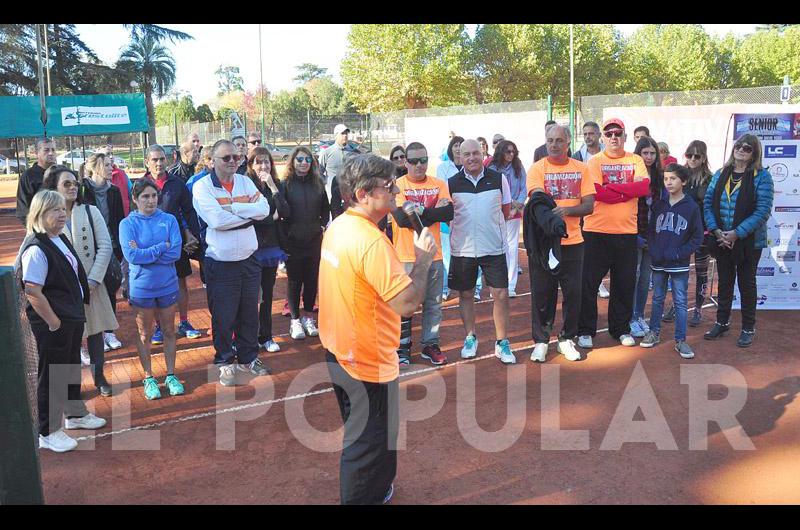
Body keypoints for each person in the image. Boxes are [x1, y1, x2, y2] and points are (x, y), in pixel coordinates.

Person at [319, 153, 437, 505]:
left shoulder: (341, 225)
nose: (396, 191)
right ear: (363, 193)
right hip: (366, 357)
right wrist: (423, 259)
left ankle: (380, 487)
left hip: (341, 348)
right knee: (366, 442)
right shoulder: (370, 242)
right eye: (389, 186)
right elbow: (406, 304)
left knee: (377, 433)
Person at [16, 190, 106, 453]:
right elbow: (33, 291)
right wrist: (54, 322)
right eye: (54, 210)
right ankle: (48, 431)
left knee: (68, 368)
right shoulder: (36, 248)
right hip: (54, 323)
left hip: (70, 318)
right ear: (39, 215)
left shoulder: (59, 238)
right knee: (52, 375)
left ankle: (75, 414)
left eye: (62, 209)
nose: (61, 214)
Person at [193, 139, 272, 385]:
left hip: (249, 260)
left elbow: (265, 209)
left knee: (250, 313)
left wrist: (234, 209)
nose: (232, 162)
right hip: (221, 263)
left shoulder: (246, 181)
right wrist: (248, 215)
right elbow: (216, 221)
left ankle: (248, 357)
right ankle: (225, 361)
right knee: (223, 316)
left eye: (236, 158)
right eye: (226, 158)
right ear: (211, 161)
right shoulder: (202, 187)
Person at [41, 165, 117, 397]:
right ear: (53, 188)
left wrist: (93, 280)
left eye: (75, 183)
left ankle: (99, 376)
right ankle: (72, 388)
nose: (73, 187)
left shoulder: (91, 211)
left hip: (93, 285)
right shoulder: (44, 216)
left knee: (95, 332)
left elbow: (105, 246)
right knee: (70, 337)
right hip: (62, 290)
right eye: (67, 184)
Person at [577, 118, 650, 349]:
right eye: (609, 134)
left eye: (618, 133)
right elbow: (597, 193)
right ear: (603, 137)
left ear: (625, 136)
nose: (613, 137)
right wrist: (625, 192)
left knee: (624, 283)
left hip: (626, 233)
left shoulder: (635, 159)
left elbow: (643, 188)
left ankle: (620, 328)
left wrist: (613, 188)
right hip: (595, 232)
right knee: (588, 283)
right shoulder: (594, 161)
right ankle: (585, 330)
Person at [525, 125, 594, 362]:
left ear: (568, 143)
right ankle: (542, 341)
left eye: (559, 141)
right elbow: (537, 201)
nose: (554, 145)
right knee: (542, 294)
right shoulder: (537, 168)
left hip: (574, 242)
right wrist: (553, 219)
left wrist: (566, 211)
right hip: (545, 245)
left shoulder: (582, 169)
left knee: (573, 294)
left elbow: (589, 205)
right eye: (550, 140)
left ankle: (567, 339)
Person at [703, 134, 774, 348]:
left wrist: (737, 233)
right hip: (721, 239)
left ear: (754, 154)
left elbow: (763, 211)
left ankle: (748, 328)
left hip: (748, 243)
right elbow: (707, 203)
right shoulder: (720, 174)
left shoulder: (762, 177)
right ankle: (722, 322)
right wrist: (716, 231)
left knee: (747, 284)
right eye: (739, 146)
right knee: (724, 283)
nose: (741, 150)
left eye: (747, 148)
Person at [448, 139, 514, 363]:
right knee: (465, 294)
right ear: (460, 157)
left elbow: (505, 211)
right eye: (466, 154)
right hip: (463, 250)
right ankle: (470, 337)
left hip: (493, 247)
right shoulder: (451, 183)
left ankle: (502, 342)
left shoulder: (499, 179)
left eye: (476, 153)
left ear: (483, 152)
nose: (472, 158)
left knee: (501, 295)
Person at [119, 179, 186, 399]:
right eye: (145, 197)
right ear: (135, 199)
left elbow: (175, 253)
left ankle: (170, 374)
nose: (150, 201)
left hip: (167, 285)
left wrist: (148, 253)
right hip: (142, 289)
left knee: (169, 331)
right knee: (145, 333)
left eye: (154, 196)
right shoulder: (127, 225)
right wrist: (160, 247)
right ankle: (148, 377)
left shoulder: (169, 220)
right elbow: (132, 257)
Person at [391, 141, 453, 367]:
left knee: (433, 304)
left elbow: (448, 212)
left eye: (423, 160)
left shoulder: (439, 184)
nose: (419, 165)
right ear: (405, 162)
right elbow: (400, 219)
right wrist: (433, 213)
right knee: (405, 305)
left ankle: (429, 344)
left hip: (433, 256)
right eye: (414, 161)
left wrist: (420, 211)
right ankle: (402, 347)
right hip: (406, 257)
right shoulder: (398, 185)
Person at [640, 164, 704, 358]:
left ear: (683, 181)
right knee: (657, 298)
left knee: (681, 301)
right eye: (666, 178)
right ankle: (654, 332)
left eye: (673, 178)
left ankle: (681, 340)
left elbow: (697, 237)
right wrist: (654, 249)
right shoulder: (659, 205)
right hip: (659, 262)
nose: (669, 182)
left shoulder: (691, 207)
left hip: (679, 264)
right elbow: (651, 232)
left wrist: (679, 253)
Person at [143, 144, 202, 343]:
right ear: (147, 162)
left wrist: (191, 235)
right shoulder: (140, 185)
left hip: (176, 245)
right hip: (152, 247)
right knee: (158, 286)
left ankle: (184, 322)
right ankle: (160, 328)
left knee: (180, 282)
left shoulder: (177, 184)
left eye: (161, 159)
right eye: (154, 160)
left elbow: (188, 211)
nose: (159, 163)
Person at [282, 146, 330, 340]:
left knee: (311, 280)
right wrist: (287, 234)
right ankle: (295, 320)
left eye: (308, 160)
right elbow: (281, 212)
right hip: (293, 242)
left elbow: (325, 209)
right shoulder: (285, 184)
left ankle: (308, 317)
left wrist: (321, 225)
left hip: (314, 241)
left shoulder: (318, 183)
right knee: (294, 281)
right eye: (300, 159)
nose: (304, 163)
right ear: (293, 162)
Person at [246, 146, 289, 352]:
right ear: (251, 165)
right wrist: (271, 219)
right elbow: (252, 218)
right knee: (251, 296)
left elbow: (285, 211)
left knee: (268, 294)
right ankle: (249, 337)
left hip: (270, 249)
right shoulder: (246, 185)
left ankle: (266, 336)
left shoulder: (276, 184)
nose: (263, 166)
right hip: (250, 248)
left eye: (266, 161)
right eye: (258, 162)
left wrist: (272, 186)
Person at [80, 152, 125, 352]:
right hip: (88, 248)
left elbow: (118, 219)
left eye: (111, 164)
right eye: (107, 165)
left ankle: (109, 331)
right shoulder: (82, 189)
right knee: (90, 289)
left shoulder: (113, 191)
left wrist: (119, 248)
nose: (110, 168)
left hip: (111, 247)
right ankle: (92, 335)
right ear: (95, 167)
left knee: (110, 287)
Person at [629, 136, 664, 338]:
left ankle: (639, 315)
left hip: (653, 236)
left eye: (652, 153)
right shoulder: (632, 176)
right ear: (638, 154)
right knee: (632, 277)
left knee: (644, 279)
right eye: (645, 153)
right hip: (634, 234)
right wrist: (636, 236)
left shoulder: (660, 178)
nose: (649, 157)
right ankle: (630, 318)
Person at [489, 139, 527, 296]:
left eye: (513, 152)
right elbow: (491, 190)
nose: (511, 155)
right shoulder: (492, 168)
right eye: (508, 151)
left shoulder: (518, 167)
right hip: (497, 213)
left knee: (511, 248)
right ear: (501, 152)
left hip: (514, 213)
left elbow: (524, 187)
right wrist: (506, 206)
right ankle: (497, 285)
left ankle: (510, 285)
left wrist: (515, 205)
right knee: (498, 248)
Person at [436, 135, 464, 299]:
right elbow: (443, 189)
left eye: (461, 144)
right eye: (455, 145)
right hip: (447, 216)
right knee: (447, 254)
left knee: (469, 253)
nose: (458, 147)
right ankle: (445, 289)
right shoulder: (443, 167)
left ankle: (475, 288)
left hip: (465, 216)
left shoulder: (470, 167)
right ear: (451, 148)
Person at [16, 137, 57, 225]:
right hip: (40, 227)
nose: (51, 153)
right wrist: (35, 228)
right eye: (46, 150)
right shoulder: (28, 176)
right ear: (36, 153)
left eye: (53, 150)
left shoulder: (61, 173)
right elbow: (23, 209)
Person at [319, 123, 353, 199]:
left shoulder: (353, 152)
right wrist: (327, 182)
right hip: (332, 194)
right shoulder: (327, 152)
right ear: (336, 135)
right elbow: (319, 171)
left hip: (350, 193)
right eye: (342, 133)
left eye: (346, 133)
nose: (345, 135)